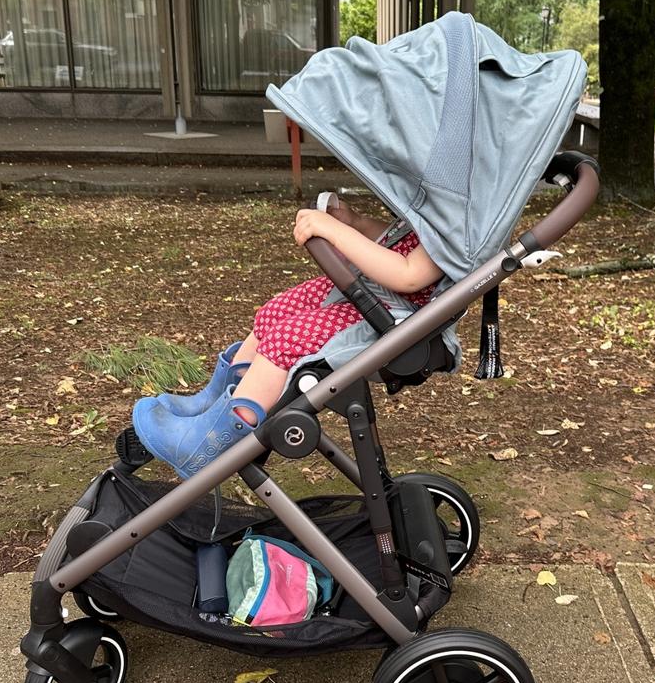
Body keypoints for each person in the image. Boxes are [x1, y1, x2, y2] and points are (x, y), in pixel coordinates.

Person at [132, 201, 444, 479]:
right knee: (275, 312)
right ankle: (213, 405)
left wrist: (335, 232)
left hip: (389, 318)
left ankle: (208, 443)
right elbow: (410, 241)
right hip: (375, 296)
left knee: (286, 339)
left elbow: (410, 274)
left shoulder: (463, 220)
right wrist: (358, 223)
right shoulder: (447, 202)